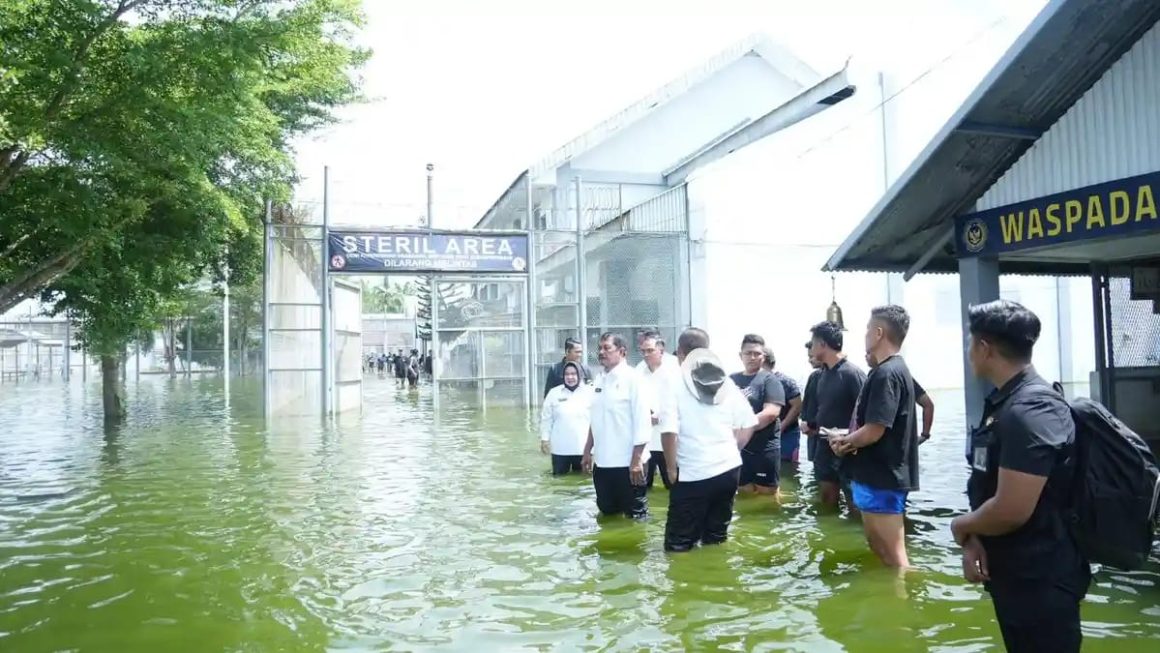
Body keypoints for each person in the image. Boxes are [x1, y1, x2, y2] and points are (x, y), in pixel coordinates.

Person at [950, 300, 1089, 652]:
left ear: (984, 348)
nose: (968, 352)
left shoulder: (1032, 410)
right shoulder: (1005, 404)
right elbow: (989, 489)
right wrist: (973, 539)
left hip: (1043, 580)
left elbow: (1012, 509)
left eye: (971, 343)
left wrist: (962, 526)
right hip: (1014, 573)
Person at [829, 305, 920, 568]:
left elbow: (875, 429)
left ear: (879, 333)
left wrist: (845, 442)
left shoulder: (887, 373)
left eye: (868, 329)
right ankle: (894, 598)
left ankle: (904, 602)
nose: (865, 334)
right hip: (877, 474)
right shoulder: (891, 370)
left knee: (893, 555)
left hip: (884, 476)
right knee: (879, 547)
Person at [659, 327, 757, 552]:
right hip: (729, 470)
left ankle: (684, 586)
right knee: (716, 538)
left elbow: (668, 432)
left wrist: (672, 469)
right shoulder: (726, 383)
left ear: (680, 354)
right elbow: (749, 422)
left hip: (693, 473)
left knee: (678, 545)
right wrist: (733, 449)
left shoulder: (673, 383)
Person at [582, 333, 652, 519]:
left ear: (622, 351)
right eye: (600, 348)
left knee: (635, 516)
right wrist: (587, 451)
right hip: (603, 463)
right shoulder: (599, 379)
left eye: (607, 348)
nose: (601, 352)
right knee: (607, 512)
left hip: (628, 464)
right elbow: (595, 418)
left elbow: (643, 422)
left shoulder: (634, 379)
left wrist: (636, 461)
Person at [809, 321, 866, 510]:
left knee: (855, 506)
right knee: (826, 502)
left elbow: (866, 414)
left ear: (823, 344)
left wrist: (849, 440)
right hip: (824, 446)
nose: (811, 348)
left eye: (813, 343)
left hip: (849, 448)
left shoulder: (852, 373)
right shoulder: (821, 374)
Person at [730, 334, 785, 498]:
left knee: (767, 497)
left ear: (764, 356)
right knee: (744, 493)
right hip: (740, 449)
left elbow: (771, 413)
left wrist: (744, 428)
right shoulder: (731, 380)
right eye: (748, 353)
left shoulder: (770, 380)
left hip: (765, 450)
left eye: (757, 354)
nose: (752, 357)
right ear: (741, 355)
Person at [636, 330, 680, 490]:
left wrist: (660, 416)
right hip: (646, 438)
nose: (646, 355)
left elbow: (680, 399)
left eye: (650, 350)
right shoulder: (639, 370)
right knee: (643, 485)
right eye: (643, 351)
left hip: (670, 438)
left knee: (672, 484)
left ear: (661, 351)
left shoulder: (675, 366)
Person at [866, 350, 936, 445]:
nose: (865, 356)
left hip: (891, 447)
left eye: (869, 353)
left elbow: (928, 405)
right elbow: (928, 405)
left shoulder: (891, 375)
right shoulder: (900, 375)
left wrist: (924, 435)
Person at [540, 361, 593, 475]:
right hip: (560, 449)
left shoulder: (590, 392)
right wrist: (545, 439)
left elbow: (597, 420)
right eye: (567, 374)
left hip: (583, 449)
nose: (570, 377)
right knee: (559, 483)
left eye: (573, 374)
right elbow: (546, 418)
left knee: (583, 482)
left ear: (580, 375)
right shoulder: (554, 393)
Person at [762, 347, 804, 463]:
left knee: (788, 467)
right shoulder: (757, 381)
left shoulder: (785, 381)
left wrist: (782, 426)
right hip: (765, 433)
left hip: (788, 433)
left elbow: (798, 406)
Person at [801, 342, 823, 462]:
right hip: (812, 432)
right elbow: (807, 403)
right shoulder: (814, 376)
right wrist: (805, 422)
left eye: (811, 356)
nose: (809, 360)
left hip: (825, 433)